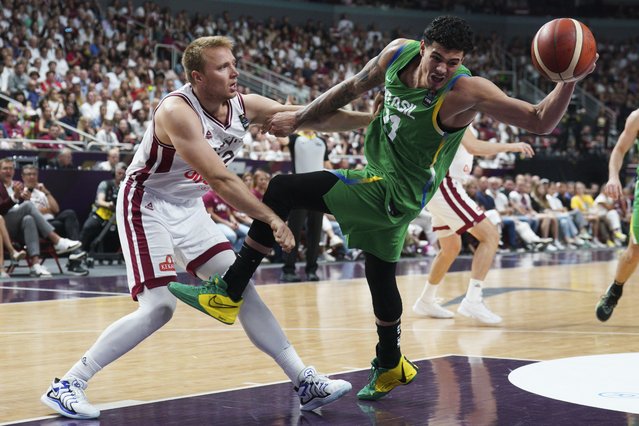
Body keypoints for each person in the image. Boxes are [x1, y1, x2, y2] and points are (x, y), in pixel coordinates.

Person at [168, 16, 594, 402]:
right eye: (437, 57)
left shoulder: (466, 90)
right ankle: (390, 363)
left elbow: (539, 120)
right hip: (379, 178)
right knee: (379, 274)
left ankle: (229, 291)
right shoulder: (396, 54)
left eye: (454, 60)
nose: (443, 67)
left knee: (281, 187)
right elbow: (350, 88)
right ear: (422, 46)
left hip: (395, 192)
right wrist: (302, 117)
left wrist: (569, 80)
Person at [41, 36, 373, 420]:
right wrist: (271, 218)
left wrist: (371, 119)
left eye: (234, 64)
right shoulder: (177, 111)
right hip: (146, 203)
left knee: (239, 287)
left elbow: (313, 116)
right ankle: (67, 383)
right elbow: (218, 177)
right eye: (222, 67)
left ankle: (305, 382)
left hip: (188, 206)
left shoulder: (243, 106)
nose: (234, 72)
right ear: (198, 77)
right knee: (159, 308)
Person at [412, 125, 534, 323]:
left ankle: (425, 300)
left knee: (451, 248)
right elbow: (474, 147)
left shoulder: (461, 115)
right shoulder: (458, 114)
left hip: (441, 184)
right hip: (445, 183)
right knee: (490, 236)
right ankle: (473, 300)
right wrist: (512, 146)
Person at [0, 158, 82, 277]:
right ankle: (57, 240)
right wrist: (14, 197)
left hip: (19, 225)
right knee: (28, 206)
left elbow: (22, 204)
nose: (8, 171)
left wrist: (23, 198)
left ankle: (35, 265)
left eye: (11, 168)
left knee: (29, 219)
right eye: (5, 168)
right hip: (4, 226)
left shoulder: (18, 184)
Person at [596, 108, 639, 321]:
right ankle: (615, 289)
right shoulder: (637, 117)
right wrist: (614, 177)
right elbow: (620, 150)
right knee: (634, 252)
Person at [281, 129, 332, 282]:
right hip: (298, 192)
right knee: (293, 232)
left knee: (315, 234)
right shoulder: (295, 138)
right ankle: (289, 270)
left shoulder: (321, 141)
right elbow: (281, 140)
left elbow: (327, 165)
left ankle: (312, 270)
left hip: (318, 193)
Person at [20, 164, 88, 275]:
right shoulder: (21, 192)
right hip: (38, 228)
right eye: (28, 174)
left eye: (34, 174)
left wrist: (46, 192)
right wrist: (47, 210)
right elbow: (32, 211)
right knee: (64, 220)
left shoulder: (41, 193)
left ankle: (75, 253)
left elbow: (55, 209)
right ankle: (74, 255)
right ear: (23, 177)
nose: (32, 177)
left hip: (52, 223)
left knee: (69, 213)